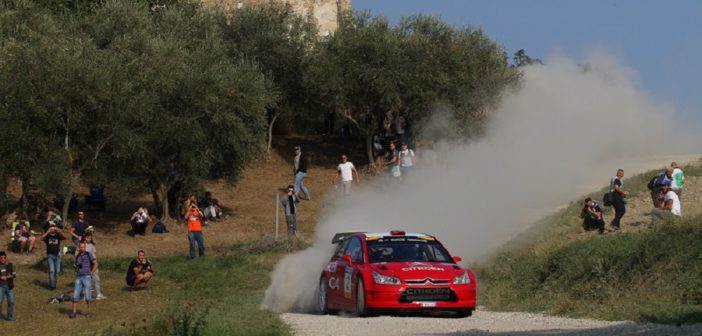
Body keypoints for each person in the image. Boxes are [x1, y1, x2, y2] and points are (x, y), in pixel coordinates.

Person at [70, 242, 97, 318]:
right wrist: (74, 267)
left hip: (87, 277)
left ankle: (88, 312)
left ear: (85, 247)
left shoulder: (89, 255)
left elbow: (96, 263)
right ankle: (74, 312)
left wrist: (91, 272)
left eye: (83, 247)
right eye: (80, 247)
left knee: (88, 295)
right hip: (79, 276)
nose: (82, 248)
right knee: (75, 295)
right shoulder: (77, 256)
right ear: (79, 248)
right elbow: (76, 267)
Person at [40, 223, 66, 290]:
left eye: (54, 228)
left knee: (57, 271)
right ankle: (52, 286)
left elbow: (65, 237)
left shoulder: (58, 236)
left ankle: (54, 283)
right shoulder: (47, 236)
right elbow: (41, 238)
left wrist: (59, 231)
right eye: (51, 228)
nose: (53, 229)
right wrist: (47, 231)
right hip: (50, 256)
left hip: (57, 255)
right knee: (51, 270)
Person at [83, 235, 106, 300]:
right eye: (88, 238)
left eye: (90, 238)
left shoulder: (91, 245)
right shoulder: (82, 245)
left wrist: (95, 262)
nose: (89, 239)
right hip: (87, 265)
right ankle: (86, 296)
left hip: (93, 264)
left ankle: (98, 294)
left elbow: (94, 255)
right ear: (85, 238)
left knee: (96, 280)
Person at [0, 251, 16, 321]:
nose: (3, 259)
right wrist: (0, 277)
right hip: (1, 286)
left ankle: (10, 317)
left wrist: (10, 276)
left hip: (9, 286)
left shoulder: (10, 265)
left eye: (4, 258)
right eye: (1, 258)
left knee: (11, 301)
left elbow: (14, 274)